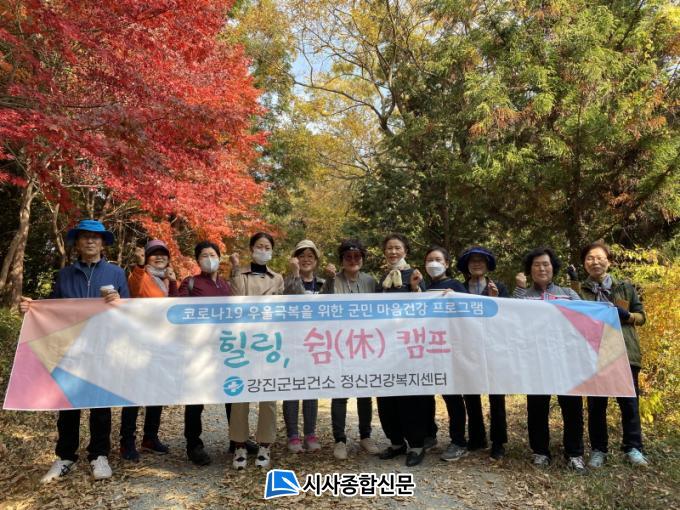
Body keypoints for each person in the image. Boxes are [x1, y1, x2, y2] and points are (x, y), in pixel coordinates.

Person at [19, 219, 129, 482]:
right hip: (70, 349)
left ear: (102, 244)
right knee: (67, 403)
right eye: (85, 237)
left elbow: (130, 312)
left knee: (100, 404)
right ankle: (65, 456)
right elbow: (53, 309)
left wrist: (120, 302)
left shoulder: (116, 274)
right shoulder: (65, 274)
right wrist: (32, 309)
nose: (90, 241)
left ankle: (99, 455)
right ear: (77, 243)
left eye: (96, 237)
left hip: (103, 348)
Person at [573, 240, 648, 467]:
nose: (595, 262)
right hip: (594, 353)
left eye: (599, 258)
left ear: (609, 261)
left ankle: (633, 448)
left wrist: (629, 316)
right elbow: (575, 318)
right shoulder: (579, 291)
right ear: (584, 264)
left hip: (624, 351)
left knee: (629, 403)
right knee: (597, 405)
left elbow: (642, 316)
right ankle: (599, 449)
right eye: (590, 258)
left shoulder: (625, 287)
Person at [513, 247, 586, 473]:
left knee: (572, 408)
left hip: (566, 361)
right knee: (537, 407)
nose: (542, 268)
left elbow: (586, 316)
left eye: (546, 264)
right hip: (536, 360)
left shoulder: (567, 293)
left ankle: (574, 454)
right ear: (530, 270)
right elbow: (510, 318)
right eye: (536, 265)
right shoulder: (524, 296)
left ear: (553, 268)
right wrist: (519, 289)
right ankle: (540, 452)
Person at [321, 239, 380, 460]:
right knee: (340, 393)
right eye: (348, 257)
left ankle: (366, 436)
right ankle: (339, 439)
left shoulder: (370, 281)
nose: (353, 260)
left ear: (362, 259)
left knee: (364, 392)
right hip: (339, 344)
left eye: (357, 257)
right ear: (342, 260)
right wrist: (329, 280)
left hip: (365, 343)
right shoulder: (333, 280)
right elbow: (321, 306)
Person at [229, 232, 284, 469]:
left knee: (268, 395)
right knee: (240, 395)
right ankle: (239, 445)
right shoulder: (240, 275)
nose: (263, 250)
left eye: (267, 247)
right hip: (242, 343)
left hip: (268, 342)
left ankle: (265, 445)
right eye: (259, 246)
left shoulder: (277, 278)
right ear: (251, 249)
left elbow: (280, 308)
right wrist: (234, 270)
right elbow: (235, 300)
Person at [450, 246, 510, 461]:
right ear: (466, 265)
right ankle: (477, 437)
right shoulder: (458, 289)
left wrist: (496, 300)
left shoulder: (499, 287)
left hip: (494, 348)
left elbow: (508, 317)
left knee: (497, 397)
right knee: (470, 394)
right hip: (466, 348)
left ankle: (498, 442)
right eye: (472, 260)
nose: (476, 264)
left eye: (481, 260)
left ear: (487, 265)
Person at [375, 234, 429, 467]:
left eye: (397, 248)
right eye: (389, 248)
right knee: (386, 398)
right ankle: (396, 442)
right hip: (385, 348)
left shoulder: (414, 274)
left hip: (409, 347)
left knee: (410, 398)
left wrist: (415, 288)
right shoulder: (383, 279)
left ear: (405, 251)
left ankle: (416, 445)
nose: (393, 252)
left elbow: (425, 308)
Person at [178, 240, 233, 466]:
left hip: (225, 348)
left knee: (232, 394)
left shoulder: (226, 285)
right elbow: (178, 312)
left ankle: (237, 439)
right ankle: (194, 444)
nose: (209, 258)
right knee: (196, 398)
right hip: (198, 350)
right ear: (198, 260)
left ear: (219, 258)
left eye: (212, 254)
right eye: (204, 255)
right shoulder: (190, 283)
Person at [119, 240, 176, 461]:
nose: (159, 257)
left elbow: (176, 307)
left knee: (157, 392)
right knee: (133, 394)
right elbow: (134, 288)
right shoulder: (140, 275)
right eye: (154, 254)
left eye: (163, 254)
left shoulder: (168, 279)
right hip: (139, 344)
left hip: (162, 344)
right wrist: (141, 264)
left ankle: (150, 437)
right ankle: (127, 442)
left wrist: (173, 282)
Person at [282, 240, 324, 453]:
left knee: (311, 389)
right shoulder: (286, 282)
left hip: (316, 345)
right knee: (292, 388)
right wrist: (296, 274)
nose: (306, 259)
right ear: (295, 259)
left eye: (310, 256)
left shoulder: (324, 283)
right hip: (292, 345)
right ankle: (293, 436)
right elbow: (296, 302)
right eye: (301, 255)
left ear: (316, 260)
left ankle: (310, 433)